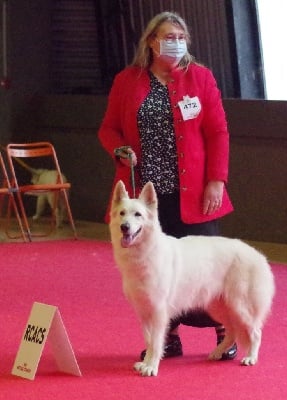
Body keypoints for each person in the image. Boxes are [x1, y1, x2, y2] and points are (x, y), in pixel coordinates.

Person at [98, 11, 237, 361]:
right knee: (156, 272)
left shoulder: (201, 78)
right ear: (150, 41)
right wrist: (118, 149)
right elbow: (108, 128)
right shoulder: (127, 80)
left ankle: (225, 332)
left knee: (206, 267)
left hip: (194, 191)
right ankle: (167, 339)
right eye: (167, 35)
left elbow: (218, 132)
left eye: (180, 36)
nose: (175, 41)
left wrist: (216, 180)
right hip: (148, 198)